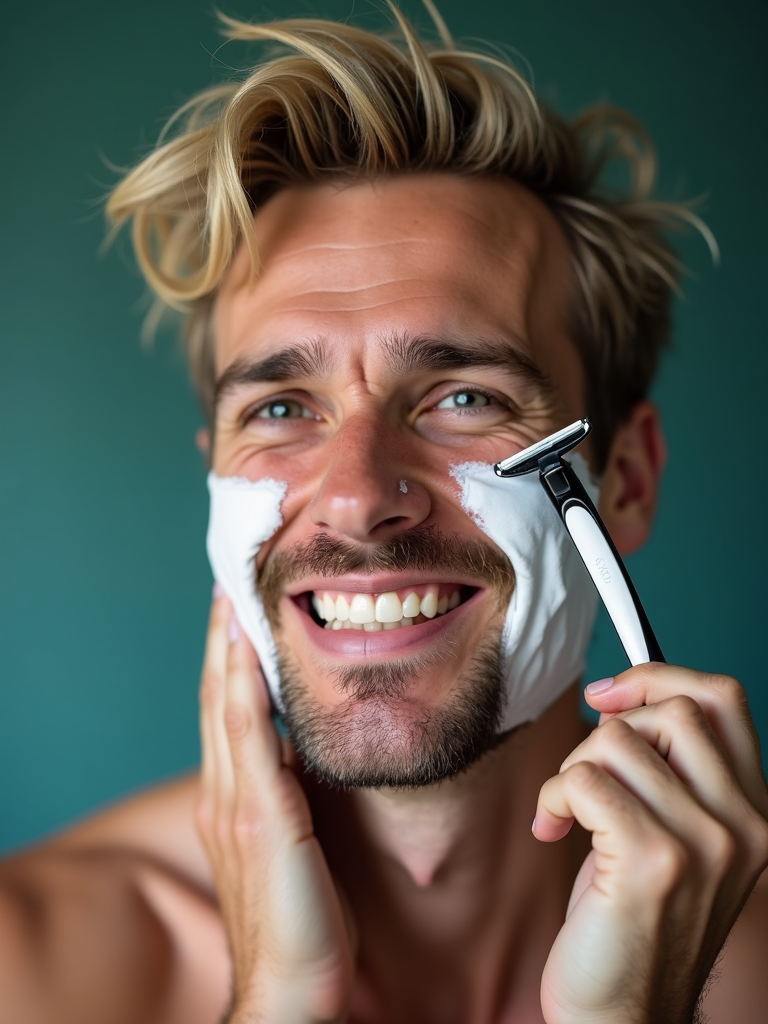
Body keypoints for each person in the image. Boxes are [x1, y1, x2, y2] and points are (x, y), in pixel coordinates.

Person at [1, 6, 766, 1023]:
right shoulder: (32, 965)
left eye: (465, 398)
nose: (359, 497)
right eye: (280, 409)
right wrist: (277, 1003)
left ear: (624, 480)